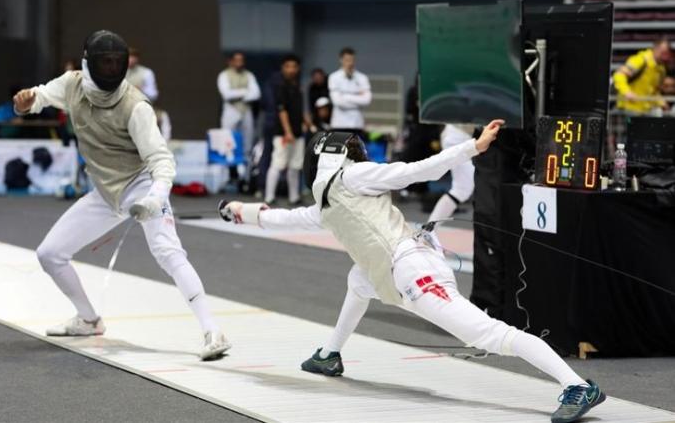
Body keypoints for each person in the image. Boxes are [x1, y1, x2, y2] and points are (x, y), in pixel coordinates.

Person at [221, 120, 605, 423]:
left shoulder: (354, 177)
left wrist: (472, 147)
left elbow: (415, 170)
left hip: (415, 269)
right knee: (358, 280)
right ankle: (329, 354)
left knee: (488, 335)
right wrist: (240, 211)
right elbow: (280, 219)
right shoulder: (325, 205)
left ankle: (576, 386)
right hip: (393, 270)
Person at [12, 30, 230, 360]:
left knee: (167, 252)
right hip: (104, 192)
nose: (112, 68)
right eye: (106, 62)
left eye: (117, 62)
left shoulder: (135, 105)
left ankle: (212, 330)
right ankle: (88, 319)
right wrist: (25, 101)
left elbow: (161, 160)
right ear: (89, 63)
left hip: (141, 186)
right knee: (50, 254)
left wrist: (155, 198)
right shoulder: (72, 84)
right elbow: (39, 97)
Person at [263, 54, 313, 205]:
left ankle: (294, 197)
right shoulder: (280, 86)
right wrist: (288, 132)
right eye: (288, 66)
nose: (291, 69)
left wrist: (307, 123)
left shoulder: (297, 86)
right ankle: (269, 197)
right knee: (278, 164)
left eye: (294, 66)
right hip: (282, 134)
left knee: (295, 166)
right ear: (283, 68)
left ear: (298, 69)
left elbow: (300, 109)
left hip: (298, 133)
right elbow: (282, 111)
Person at [217, 51, 261, 161]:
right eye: (236, 60)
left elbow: (256, 94)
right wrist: (245, 91)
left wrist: (237, 94)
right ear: (230, 61)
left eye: (241, 60)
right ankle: (231, 173)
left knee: (248, 141)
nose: (239, 63)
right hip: (231, 110)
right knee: (228, 141)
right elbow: (227, 94)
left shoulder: (249, 75)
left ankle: (246, 174)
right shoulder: (224, 75)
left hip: (246, 110)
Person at [428, 124, 476, 222]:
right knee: (461, 190)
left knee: (462, 190)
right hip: (460, 137)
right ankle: (427, 232)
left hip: (462, 137)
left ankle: (427, 231)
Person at [613, 38, 672, 115]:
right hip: (628, 108)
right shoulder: (640, 60)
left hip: (645, 111)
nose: (665, 57)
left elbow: (654, 91)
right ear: (656, 49)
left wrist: (661, 103)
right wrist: (627, 92)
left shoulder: (661, 70)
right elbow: (619, 75)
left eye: (667, 54)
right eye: (663, 53)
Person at [328, 47, 371, 138]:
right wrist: (358, 97)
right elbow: (338, 102)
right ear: (341, 60)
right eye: (347, 60)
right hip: (339, 124)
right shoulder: (334, 77)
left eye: (352, 60)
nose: (350, 63)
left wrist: (345, 96)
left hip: (357, 124)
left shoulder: (362, 78)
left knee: (357, 152)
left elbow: (367, 100)